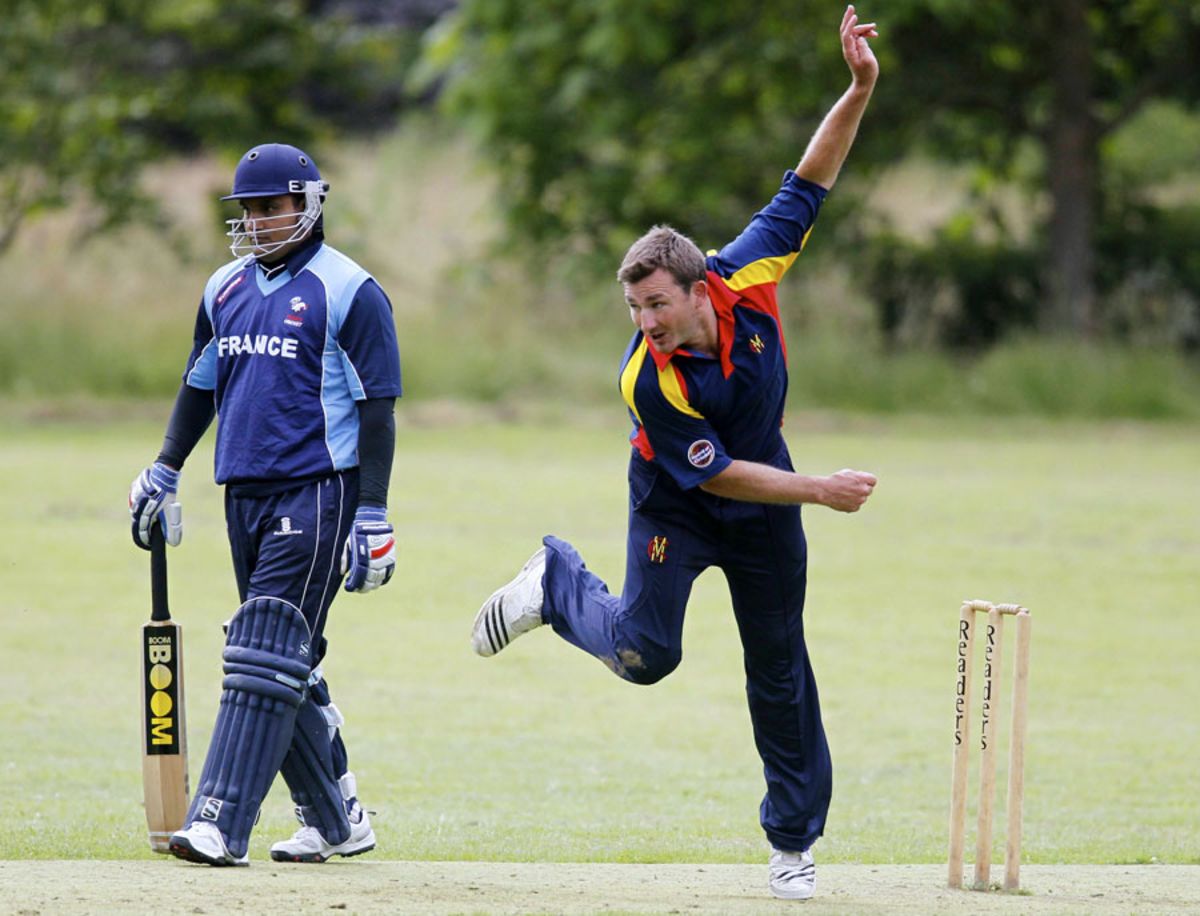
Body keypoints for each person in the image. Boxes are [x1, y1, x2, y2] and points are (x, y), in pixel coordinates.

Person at [470, 7, 879, 901]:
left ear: (698, 287)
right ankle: (556, 583)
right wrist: (816, 488)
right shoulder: (647, 381)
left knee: (778, 666)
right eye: (633, 311)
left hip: (763, 507)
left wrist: (858, 87)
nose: (646, 324)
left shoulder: (752, 270)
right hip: (680, 502)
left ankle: (792, 841)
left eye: (656, 305)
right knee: (646, 658)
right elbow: (716, 471)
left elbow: (813, 176)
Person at [128, 142, 402, 866]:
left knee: (264, 646)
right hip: (241, 490)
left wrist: (372, 513)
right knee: (288, 659)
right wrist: (164, 467)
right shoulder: (223, 287)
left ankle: (219, 820)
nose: (257, 220)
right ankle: (337, 821)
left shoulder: (351, 291)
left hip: (320, 488)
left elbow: (378, 411)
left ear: (309, 204)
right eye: (248, 208)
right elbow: (200, 385)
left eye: (271, 206)